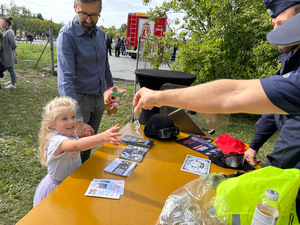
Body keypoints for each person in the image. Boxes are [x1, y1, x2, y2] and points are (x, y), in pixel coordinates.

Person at [33, 97, 121, 207]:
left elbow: (77, 141)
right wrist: (102, 137)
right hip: (58, 188)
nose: (71, 121)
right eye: (64, 119)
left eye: (73, 117)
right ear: (51, 124)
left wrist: (82, 137)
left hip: (71, 181)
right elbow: (75, 145)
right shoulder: (56, 140)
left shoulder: (69, 134)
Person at [56, 0, 114, 163]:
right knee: (74, 152)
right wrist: (77, 120)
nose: (89, 20)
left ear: (100, 10)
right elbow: (65, 81)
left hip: (98, 100)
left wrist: (111, 91)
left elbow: (105, 67)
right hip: (79, 102)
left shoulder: (100, 34)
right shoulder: (67, 35)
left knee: (87, 147)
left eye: (94, 15)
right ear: (75, 8)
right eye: (83, 14)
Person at [245, 0, 300, 167]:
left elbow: (295, 136)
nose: (276, 31)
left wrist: (269, 172)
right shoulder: (291, 58)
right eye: (273, 24)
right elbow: (275, 104)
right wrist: (254, 145)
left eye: (281, 23)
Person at [0, 16, 18, 89]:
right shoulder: (5, 31)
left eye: (1, 22)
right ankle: (12, 81)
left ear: (6, 23)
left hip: (8, 54)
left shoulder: (9, 31)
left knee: (10, 69)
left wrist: (14, 50)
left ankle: (13, 84)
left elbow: (13, 43)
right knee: (10, 68)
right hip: (6, 53)